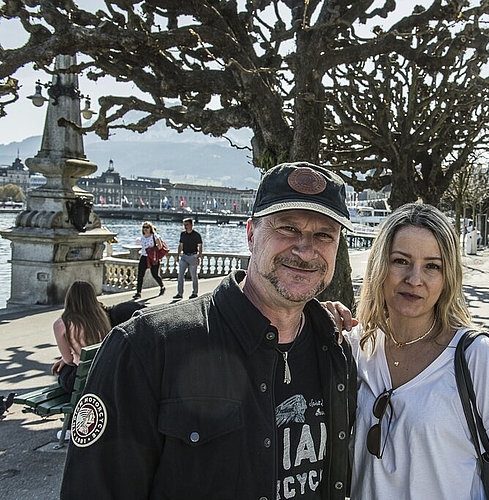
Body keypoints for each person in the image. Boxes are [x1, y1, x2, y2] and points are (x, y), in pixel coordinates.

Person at [60, 162, 357, 499]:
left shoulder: (335, 350)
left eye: (323, 235)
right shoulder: (147, 348)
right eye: (287, 228)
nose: (305, 249)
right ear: (250, 234)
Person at [344, 203, 489, 499]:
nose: (415, 279)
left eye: (432, 266)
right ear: (380, 266)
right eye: (401, 261)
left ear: (446, 277)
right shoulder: (357, 346)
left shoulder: (472, 356)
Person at [52, 281, 112, 394]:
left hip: (79, 381)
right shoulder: (101, 318)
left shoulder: (61, 324)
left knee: (63, 371)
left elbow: (69, 360)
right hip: (101, 375)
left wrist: (64, 360)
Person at [133, 221, 166, 299]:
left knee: (154, 274)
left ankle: (162, 286)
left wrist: (152, 250)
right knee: (140, 275)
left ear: (150, 228)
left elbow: (160, 247)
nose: (145, 229)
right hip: (144, 256)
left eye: (147, 227)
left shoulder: (155, 236)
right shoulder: (142, 237)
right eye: (144, 227)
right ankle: (138, 292)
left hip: (153, 257)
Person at [173, 217, 203, 299]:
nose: (185, 226)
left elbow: (200, 247)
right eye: (184, 225)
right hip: (184, 256)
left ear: (191, 225)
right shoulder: (183, 234)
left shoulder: (197, 235)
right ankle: (179, 293)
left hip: (193, 256)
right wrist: (178, 255)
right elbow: (180, 245)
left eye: (187, 225)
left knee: (194, 275)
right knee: (180, 275)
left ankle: (195, 292)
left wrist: (198, 257)